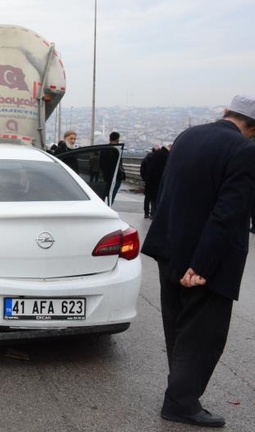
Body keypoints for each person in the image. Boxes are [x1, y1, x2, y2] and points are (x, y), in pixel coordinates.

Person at [141, 94, 255, 428]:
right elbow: (228, 213)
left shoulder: (187, 136)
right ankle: (181, 403)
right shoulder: (244, 151)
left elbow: (169, 192)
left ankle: (181, 394)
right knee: (204, 335)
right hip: (206, 261)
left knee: (177, 327)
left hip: (169, 250)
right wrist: (202, 265)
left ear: (225, 113)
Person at [98, 131, 125, 205]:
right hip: (115, 177)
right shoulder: (117, 150)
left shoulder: (104, 149)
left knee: (105, 196)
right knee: (111, 198)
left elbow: (101, 164)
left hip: (106, 177)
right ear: (117, 139)